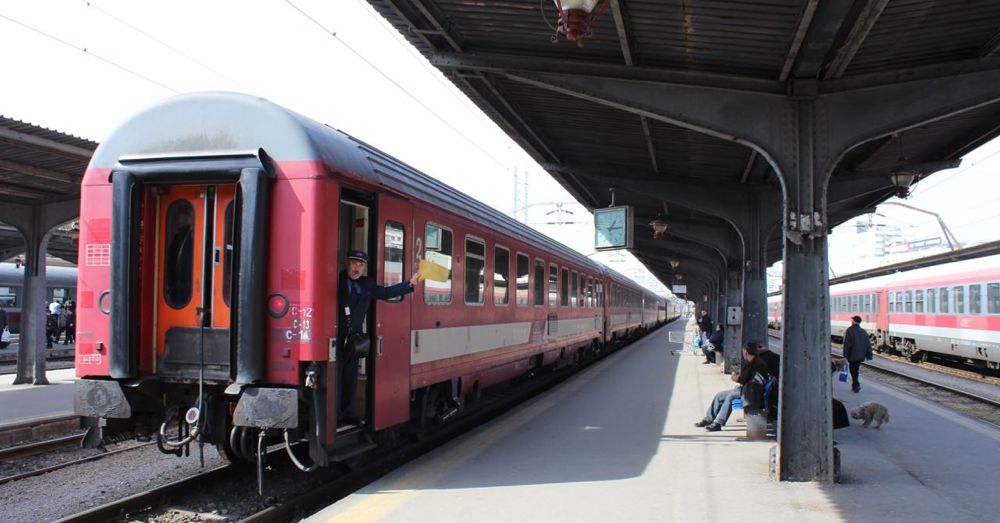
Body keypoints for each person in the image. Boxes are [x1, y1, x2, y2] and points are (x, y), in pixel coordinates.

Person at [337, 249, 422, 424]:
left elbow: (385, 293)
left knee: (350, 377)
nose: (357, 268)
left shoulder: (367, 284)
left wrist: (410, 283)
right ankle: (335, 415)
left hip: (354, 339)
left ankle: (347, 413)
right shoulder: (337, 280)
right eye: (354, 264)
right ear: (348, 264)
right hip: (335, 337)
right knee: (336, 376)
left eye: (361, 265)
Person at [695, 341, 770, 432]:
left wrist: (734, 377)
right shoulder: (754, 362)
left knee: (730, 397)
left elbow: (742, 379)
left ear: (745, 352)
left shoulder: (755, 364)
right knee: (719, 395)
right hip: (748, 389)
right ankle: (708, 419)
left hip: (751, 393)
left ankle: (718, 422)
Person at [842, 315, 873, 393]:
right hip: (860, 355)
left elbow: (847, 344)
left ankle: (856, 385)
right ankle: (855, 385)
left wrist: (845, 356)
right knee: (856, 370)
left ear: (853, 321)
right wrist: (869, 355)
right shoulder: (864, 331)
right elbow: (868, 344)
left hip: (852, 355)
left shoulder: (849, 330)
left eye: (852, 320)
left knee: (853, 370)